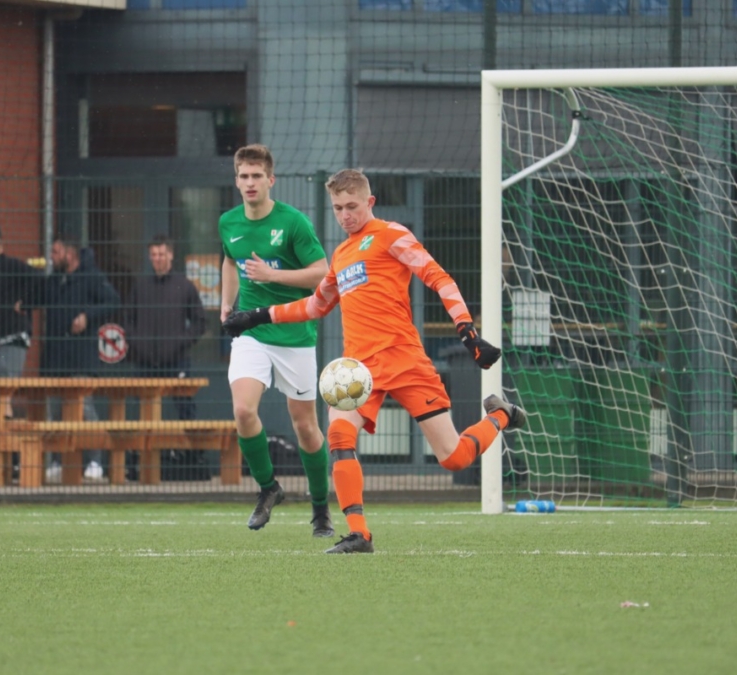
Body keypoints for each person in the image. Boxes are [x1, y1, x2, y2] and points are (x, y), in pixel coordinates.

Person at [224, 168, 526, 554]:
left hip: (405, 360)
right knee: (338, 435)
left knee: (454, 458)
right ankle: (358, 534)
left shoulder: (391, 234)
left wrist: (466, 330)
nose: (345, 214)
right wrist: (258, 315)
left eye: (352, 206)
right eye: (337, 208)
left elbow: (438, 277)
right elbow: (317, 305)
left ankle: (500, 415)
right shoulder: (342, 253)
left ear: (370, 202)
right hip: (358, 370)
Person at [219, 143, 334, 537]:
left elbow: (322, 273)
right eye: (243, 176)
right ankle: (268, 488)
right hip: (252, 331)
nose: (250, 183)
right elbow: (229, 260)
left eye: (257, 176)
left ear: (271, 180)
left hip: (295, 332)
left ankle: (320, 508)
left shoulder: (294, 223)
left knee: (305, 426)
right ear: (236, 181)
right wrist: (225, 304)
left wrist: (274, 276)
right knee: (244, 411)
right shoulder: (228, 222)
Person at [38, 234, 120, 480]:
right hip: (55, 358)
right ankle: (55, 462)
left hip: (81, 357)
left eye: (55, 252)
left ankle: (95, 461)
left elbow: (113, 301)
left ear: (69, 254)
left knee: (85, 409)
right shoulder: (55, 280)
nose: (51, 257)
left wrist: (87, 316)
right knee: (53, 411)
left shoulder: (91, 276)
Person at [126, 233, 206, 479]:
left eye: (161, 254)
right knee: (144, 413)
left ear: (170, 255)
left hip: (177, 360)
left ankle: (195, 463)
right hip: (146, 362)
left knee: (185, 410)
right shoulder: (141, 287)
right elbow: (127, 321)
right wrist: (137, 343)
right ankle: (139, 465)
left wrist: (182, 341)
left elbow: (200, 322)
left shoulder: (185, 285)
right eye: (153, 255)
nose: (157, 259)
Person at [0, 225, 42, 416]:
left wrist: (26, 303)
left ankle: (7, 442)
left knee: (2, 392)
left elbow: (39, 279)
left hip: (13, 339)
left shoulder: (10, 266)